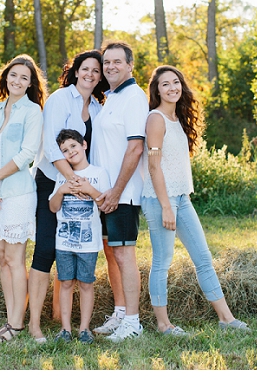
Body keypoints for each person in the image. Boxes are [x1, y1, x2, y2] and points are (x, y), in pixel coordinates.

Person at [141, 65, 250, 336]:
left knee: (203, 257)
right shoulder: (155, 119)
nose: (172, 88)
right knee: (162, 261)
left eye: (175, 82)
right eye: (165, 84)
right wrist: (166, 206)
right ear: (156, 90)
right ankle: (163, 324)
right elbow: (154, 168)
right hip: (159, 200)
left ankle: (226, 318)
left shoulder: (178, 119)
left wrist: (175, 202)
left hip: (182, 198)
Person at [28, 50, 108, 343]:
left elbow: (95, 151)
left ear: (100, 77)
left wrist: (92, 183)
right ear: (75, 71)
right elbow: (51, 145)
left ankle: (59, 317)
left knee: (73, 249)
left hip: (82, 187)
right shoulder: (61, 99)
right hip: (52, 180)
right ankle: (34, 323)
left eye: (96, 71)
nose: (90, 74)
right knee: (47, 249)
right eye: (85, 69)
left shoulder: (98, 109)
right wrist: (71, 179)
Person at [0, 54, 47, 342]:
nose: (17, 81)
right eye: (14, 75)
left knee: (16, 258)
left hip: (18, 194)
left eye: (24, 78)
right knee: (2, 258)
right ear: (6, 77)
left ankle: (17, 325)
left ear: (30, 85)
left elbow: (26, 154)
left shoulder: (33, 112)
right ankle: (10, 318)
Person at [91, 41, 148, 342]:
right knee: (111, 253)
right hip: (104, 194)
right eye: (107, 62)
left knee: (124, 254)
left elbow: (135, 148)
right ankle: (120, 312)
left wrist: (116, 191)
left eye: (117, 61)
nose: (111, 67)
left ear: (129, 66)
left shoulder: (134, 97)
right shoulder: (110, 98)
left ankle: (133, 323)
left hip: (122, 194)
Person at [48, 129, 111, 344]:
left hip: (88, 243)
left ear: (84, 145)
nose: (70, 152)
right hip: (64, 241)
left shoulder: (99, 173)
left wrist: (89, 189)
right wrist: (62, 190)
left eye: (73, 146)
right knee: (65, 282)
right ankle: (65, 329)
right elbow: (53, 207)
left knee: (86, 284)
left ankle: (84, 329)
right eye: (64, 150)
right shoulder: (62, 176)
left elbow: (105, 204)